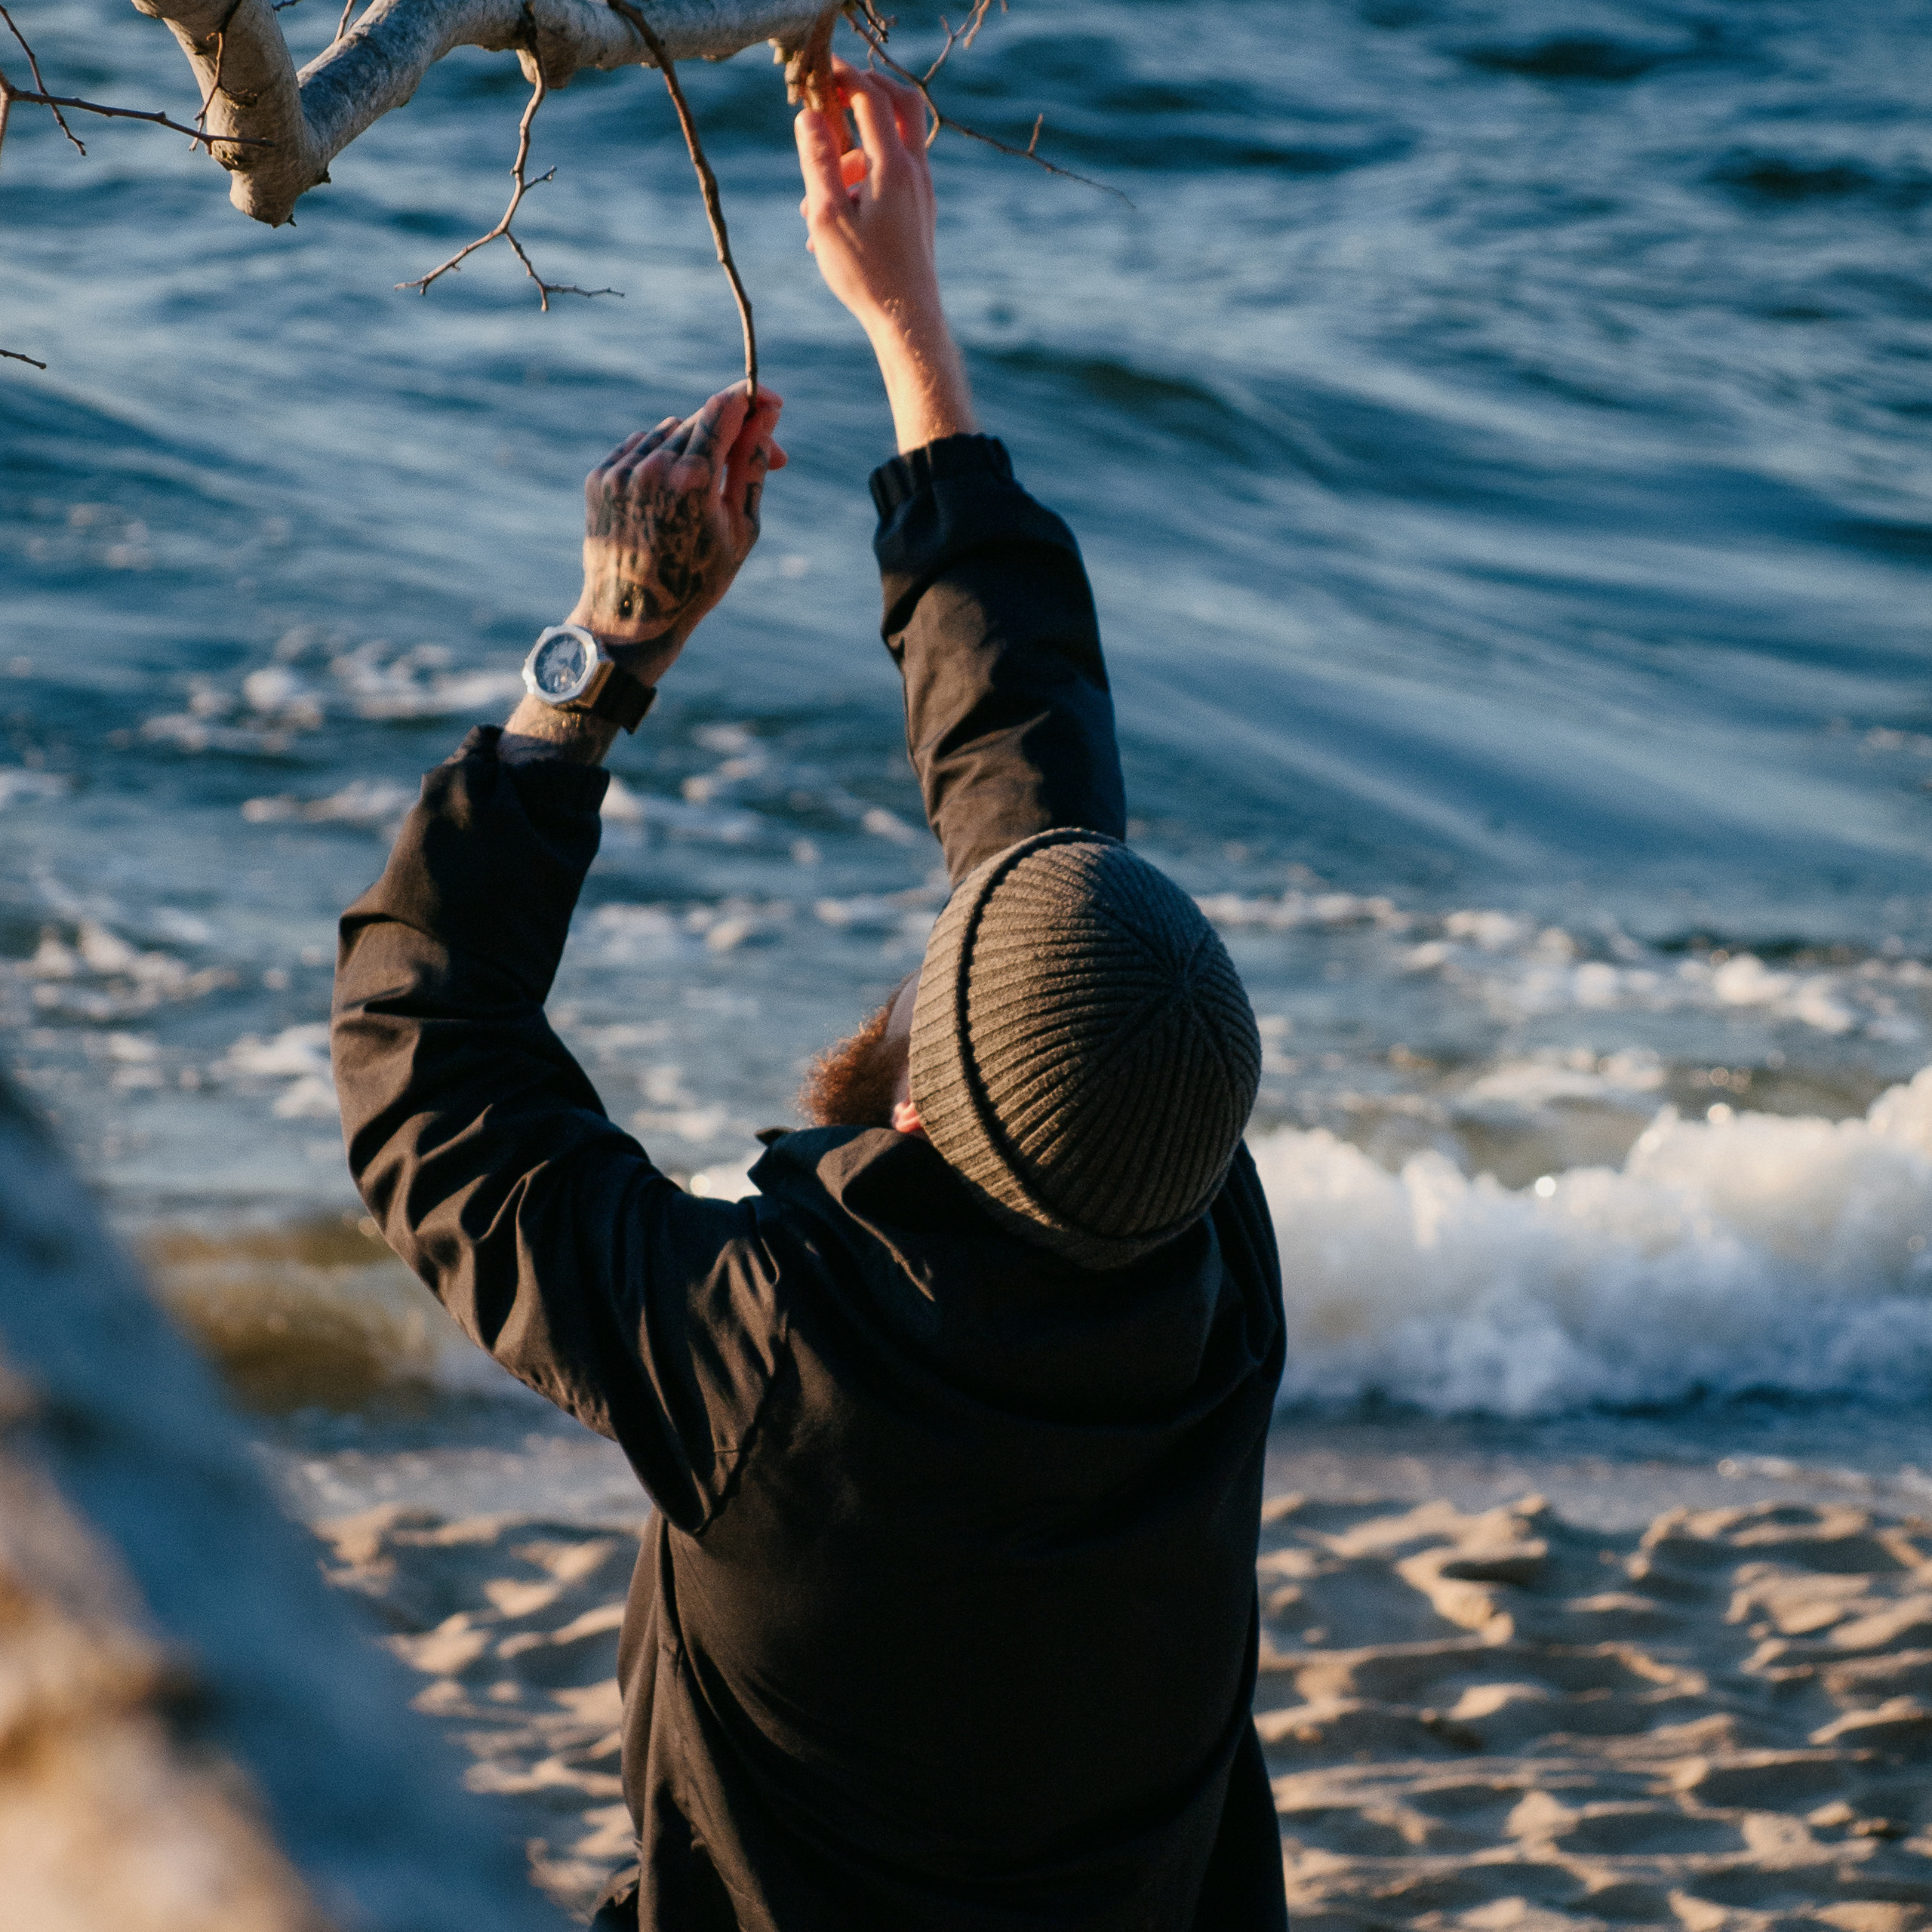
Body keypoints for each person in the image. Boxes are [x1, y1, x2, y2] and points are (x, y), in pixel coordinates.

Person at [332, 58, 1288, 1932]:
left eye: (954, 959)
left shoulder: (775, 1370)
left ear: (929, 1105)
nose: (941, 920)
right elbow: (1034, 787)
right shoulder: (1200, 1291)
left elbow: (419, 1062)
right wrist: (905, 322)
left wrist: (607, 650)